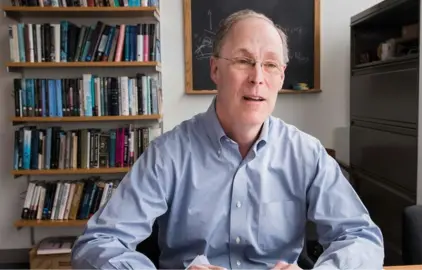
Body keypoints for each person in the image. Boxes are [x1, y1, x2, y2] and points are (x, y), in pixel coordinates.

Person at [71, 9, 384, 270]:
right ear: (215, 69)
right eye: (244, 60)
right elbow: (97, 244)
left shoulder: (307, 154)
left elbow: (361, 237)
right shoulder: (168, 154)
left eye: (270, 64)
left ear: (281, 77)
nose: (257, 77)